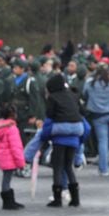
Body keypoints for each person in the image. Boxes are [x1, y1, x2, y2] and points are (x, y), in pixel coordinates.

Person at [40, 73, 89, 206]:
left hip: (60, 136)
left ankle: (57, 199)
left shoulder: (53, 97)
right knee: (68, 166)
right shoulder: (73, 95)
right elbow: (82, 112)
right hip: (75, 134)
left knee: (57, 167)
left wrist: (44, 137)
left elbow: (50, 115)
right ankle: (75, 199)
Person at [83, 66, 109, 176]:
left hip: (99, 116)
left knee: (103, 141)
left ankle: (103, 169)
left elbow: (84, 94)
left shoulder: (90, 84)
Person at [0, 104, 26, 210]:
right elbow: (15, 147)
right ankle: (8, 202)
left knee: (6, 179)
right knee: (6, 180)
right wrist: (21, 163)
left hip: (3, 158)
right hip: (10, 158)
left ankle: (9, 201)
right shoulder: (11, 128)